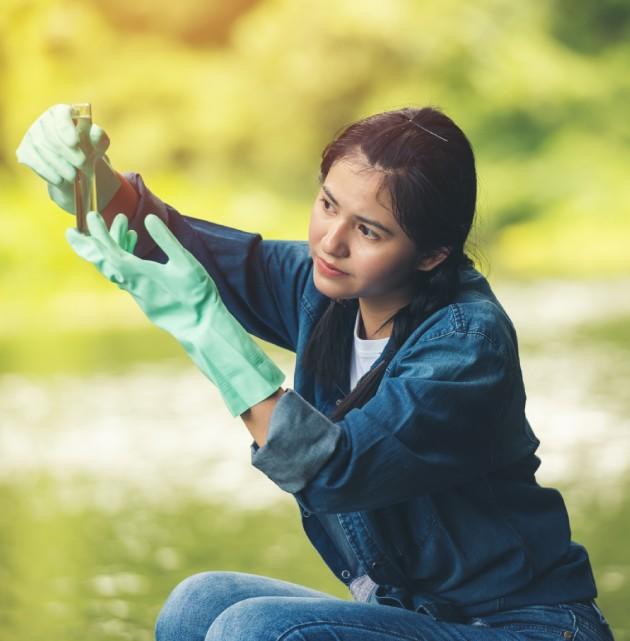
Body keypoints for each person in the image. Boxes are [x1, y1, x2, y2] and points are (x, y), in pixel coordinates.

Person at [17, 104, 615, 641]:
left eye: (368, 230)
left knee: (255, 631)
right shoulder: (328, 290)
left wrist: (209, 334)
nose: (331, 241)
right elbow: (178, 244)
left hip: (524, 630)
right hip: (418, 619)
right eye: (329, 204)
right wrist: (89, 178)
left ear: (433, 253)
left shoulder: (466, 345)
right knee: (196, 606)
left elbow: (335, 469)